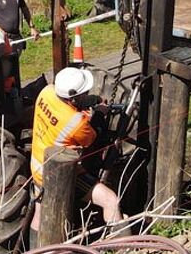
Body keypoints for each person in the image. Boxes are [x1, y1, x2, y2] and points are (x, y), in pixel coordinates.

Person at [29, 65, 124, 236]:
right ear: (73, 99)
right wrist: (100, 114)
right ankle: (124, 252)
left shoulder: (46, 92)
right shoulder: (76, 123)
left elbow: (63, 112)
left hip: (37, 167)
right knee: (111, 201)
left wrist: (88, 102)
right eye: (84, 94)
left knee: (39, 214)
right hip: (60, 175)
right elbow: (91, 138)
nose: (86, 95)